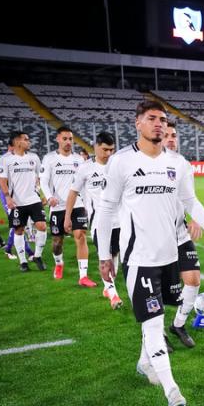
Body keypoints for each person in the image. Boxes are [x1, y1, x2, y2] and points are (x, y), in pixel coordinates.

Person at [95, 101, 204, 406]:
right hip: (138, 259)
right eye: (152, 118)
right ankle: (172, 389)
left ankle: (145, 362)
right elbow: (105, 209)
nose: (159, 124)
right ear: (138, 124)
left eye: (163, 119)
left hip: (169, 256)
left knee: (155, 319)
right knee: (154, 323)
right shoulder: (121, 162)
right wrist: (105, 256)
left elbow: (189, 202)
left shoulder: (177, 163)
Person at [163, 122, 204, 348]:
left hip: (180, 235)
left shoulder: (183, 165)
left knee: (193, 280)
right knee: (158, 289)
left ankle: (178, 324)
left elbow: (190, 199)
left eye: (174, 135)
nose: (171, 139)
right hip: (156, 238)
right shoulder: (146, 164)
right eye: (166, 135)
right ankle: (156, 333)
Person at [66, 132, 122, 309]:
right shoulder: (85, 168)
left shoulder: (118, 166)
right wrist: (67, 216)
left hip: (120, 221)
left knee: (115, 255)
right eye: (105, 149)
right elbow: (73, 192)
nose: (108, 154)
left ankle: (108, 287)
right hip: (99, 222)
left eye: (111, 150)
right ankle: (113, 294)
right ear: (96, 146)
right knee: (104, 258)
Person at [40, 127, 94, 285]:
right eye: (65, 139)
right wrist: (49, 197)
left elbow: (85, 183)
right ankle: (59, 264)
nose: (68, 142)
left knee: (81, 235)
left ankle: (83, 276)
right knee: (57, 242)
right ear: (57, 139)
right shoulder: (49, 159)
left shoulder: (79, 159)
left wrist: (86, 202)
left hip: (77, 205)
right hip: (58, 207)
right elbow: (43, 180)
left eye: (70, 139)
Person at [0, 131, 48, 272]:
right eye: (26, 139)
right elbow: (2, 180)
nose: (29, 141)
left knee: (42, 226)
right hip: (17, 201)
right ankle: (23, 261)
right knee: (19, 230)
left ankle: (37, 256)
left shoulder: (34, 157)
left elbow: (40, 177)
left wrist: (42, 194)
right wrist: (7, 197)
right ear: (18, 142)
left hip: (34, 199)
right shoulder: (5, 159)